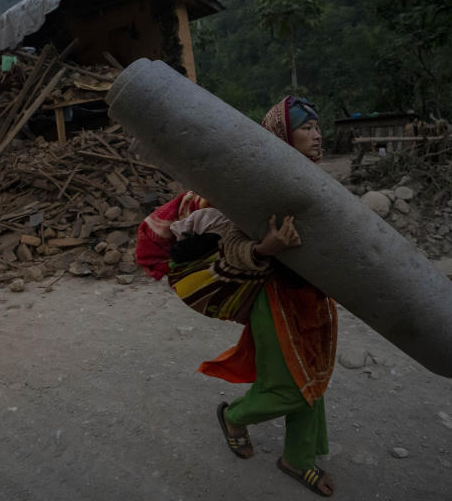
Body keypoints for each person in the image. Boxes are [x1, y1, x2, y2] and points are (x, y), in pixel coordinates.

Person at [136, 96, 338, 496]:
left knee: (313, 377)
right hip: (275, 297)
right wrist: (266, 248)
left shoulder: (311, 178)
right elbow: (227, 240)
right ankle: (234, 415)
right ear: (282, 135)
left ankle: (298, 459)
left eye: (317, 127)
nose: (317, 135)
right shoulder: (257, 186)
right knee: (290, 384)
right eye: (307, 128)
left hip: (313, 297)